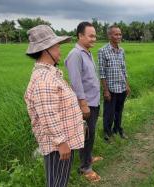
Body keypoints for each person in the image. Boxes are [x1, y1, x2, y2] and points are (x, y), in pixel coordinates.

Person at [24, 25, 84, 187]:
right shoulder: (44, 79)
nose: (60, 50)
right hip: (57, 145)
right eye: (57, 46)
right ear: (46, 50)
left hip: (62, 142)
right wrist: (61, 143)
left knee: (59, 181)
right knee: (57, 183)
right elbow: (48, 115)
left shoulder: (50, 74)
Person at [65, 22, 101, 182]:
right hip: (85, 103)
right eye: (90, 35)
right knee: (85, 135)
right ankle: (85, 167)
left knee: (90, 133)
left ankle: (88, 158)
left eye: (95, 35)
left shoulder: (87, 52)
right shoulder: (75, 54)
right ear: (80, 36)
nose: (94, 38)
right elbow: (76, 81)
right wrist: (83, 103)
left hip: (94, 101)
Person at [98, 25, 131, 141]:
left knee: (119, 110)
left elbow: (124, 69)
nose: (119, 36)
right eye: (116, 34)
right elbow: (102, 72)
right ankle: (107, 132)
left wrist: (127, 85)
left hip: (121, 86)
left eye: (120, 34)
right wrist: (105, 90)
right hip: (110, 88)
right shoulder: (103, 51)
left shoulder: (121, 51)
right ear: (109, 35)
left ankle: (117, 129)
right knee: (109, 112)